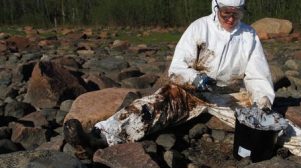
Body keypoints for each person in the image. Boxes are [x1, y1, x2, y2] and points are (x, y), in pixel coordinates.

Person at [70, 0, 275, 147]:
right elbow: (177, 68)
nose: (230, 19)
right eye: (225, 14)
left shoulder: (249, 35)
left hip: (230, 97)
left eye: (236, 14)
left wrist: (262, 102)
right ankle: (100, 135)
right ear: (216, 8)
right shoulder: (199, 28)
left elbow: (258, 75)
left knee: (270, 124)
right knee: (153, 105)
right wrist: (196, 79)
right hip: (191, 93)